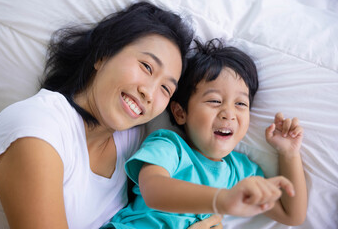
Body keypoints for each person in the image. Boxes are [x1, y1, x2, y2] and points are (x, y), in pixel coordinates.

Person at [0, 1, 194, 229]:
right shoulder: (36, 128)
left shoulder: (132, 140)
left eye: (165, 89)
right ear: (103, 55)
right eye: (147, 67)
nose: (149, 93)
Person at [105, 39, 307, 228]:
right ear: (180, 112)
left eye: (240, 104)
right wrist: (222, 200)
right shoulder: (169, 146)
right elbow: (153, 190)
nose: (229, 113)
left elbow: (292, 216)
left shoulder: (241, 172)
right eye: (214, 101)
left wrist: (289, 154)